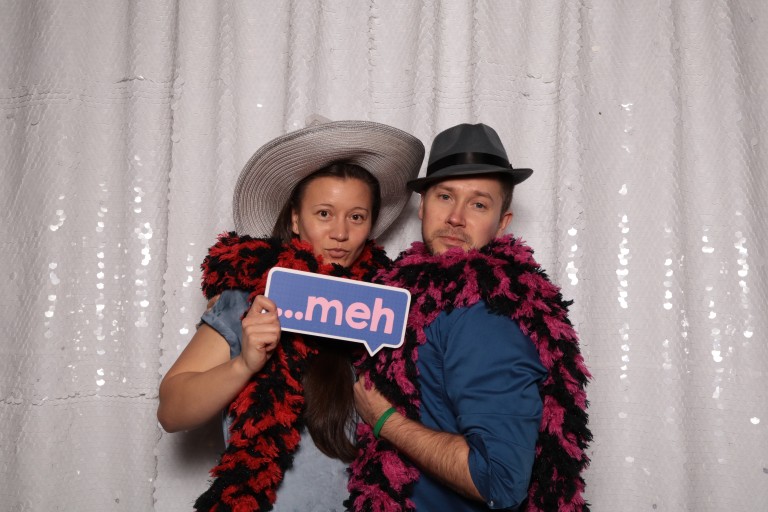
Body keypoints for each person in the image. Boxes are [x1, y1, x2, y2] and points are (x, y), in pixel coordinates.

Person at [157, 119, 424, 511]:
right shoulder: (249, 301)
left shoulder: (389, 314)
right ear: (296, 219)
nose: (340, 233)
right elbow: (171, 411)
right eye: (323, 213)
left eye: (356, 217)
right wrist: (244, 365)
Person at [346, 123, 592, 511]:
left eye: (478, 204)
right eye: (445, 196)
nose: (457, 218)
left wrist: (383, 420)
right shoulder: (408, 295)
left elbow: (499, 480)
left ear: (503, 223)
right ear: (423, 206)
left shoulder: (484, 314)